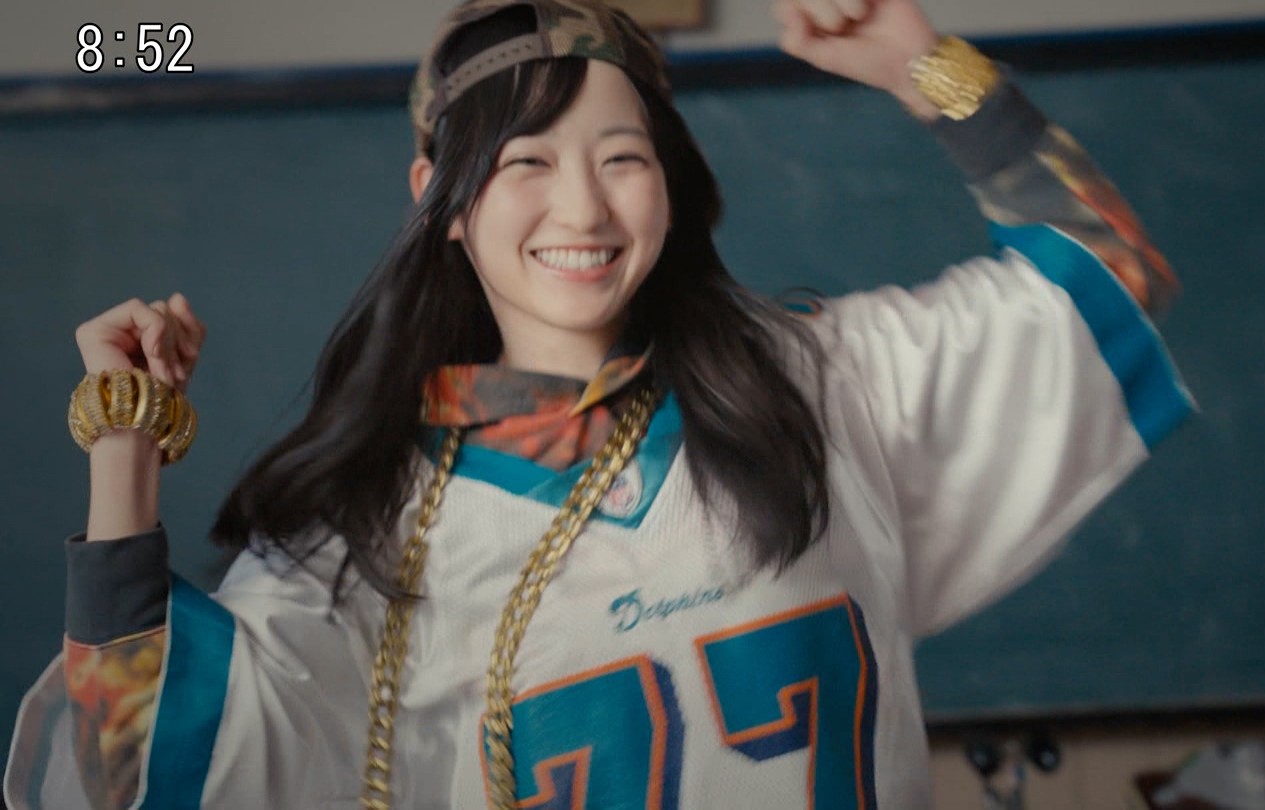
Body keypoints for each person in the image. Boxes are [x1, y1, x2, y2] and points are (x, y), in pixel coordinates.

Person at [5, 0, 1192, 807]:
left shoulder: (827, 388)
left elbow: (1113, 274)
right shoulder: (363, 540)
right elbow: (124, 778)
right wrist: (125, 446)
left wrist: (919, 64)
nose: (582, 208)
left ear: (668, 180)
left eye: (622, 156)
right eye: (526, 161)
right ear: (440, 199)